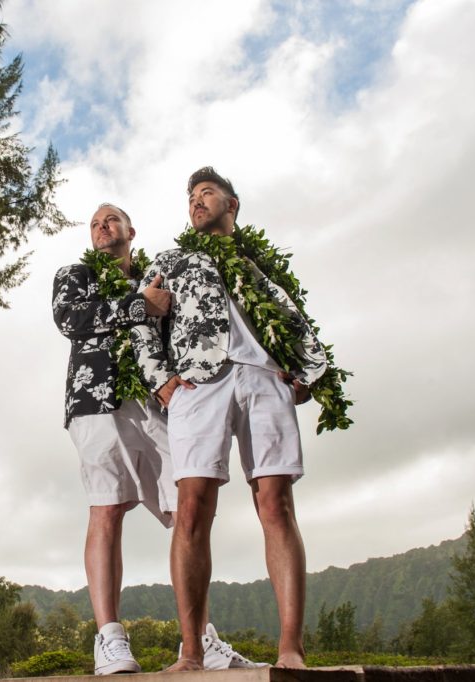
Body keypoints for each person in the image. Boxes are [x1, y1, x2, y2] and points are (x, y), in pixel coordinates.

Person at [130, 167, 327, 670]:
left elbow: (295, 319)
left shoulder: (260, 263)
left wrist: (306, 372)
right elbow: (142, 320)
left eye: (207, 193)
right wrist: (161, 380)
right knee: (192, 507)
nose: (197, 202)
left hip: (264, 378)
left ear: (232, 204)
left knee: (276, 504)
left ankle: (290, 651)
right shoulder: (171, 260)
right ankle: (192, 653)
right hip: (198, 383)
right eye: (191, 196)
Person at [53, 203, 262, 675]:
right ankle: (109, 639)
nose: (102, 227)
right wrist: (136, 305)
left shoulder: (158, 274)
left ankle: (201, 639)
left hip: (160, 402)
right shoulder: (75, 273)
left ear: (131, 230)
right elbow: (69, 318)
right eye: (94, 223)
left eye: (111, 220)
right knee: (107, 507)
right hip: (97, 401)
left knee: (188, 508)